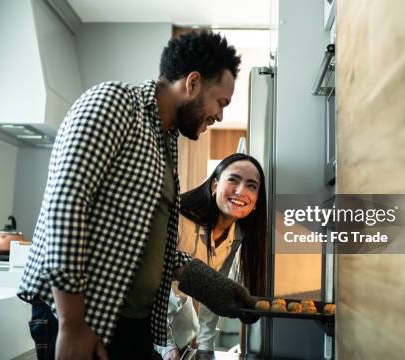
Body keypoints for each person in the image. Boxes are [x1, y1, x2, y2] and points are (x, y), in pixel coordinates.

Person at [17, 31, 258, 360]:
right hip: (85, 320)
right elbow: (66, 206)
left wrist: (222, 291)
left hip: (132, 324)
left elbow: (157, 252)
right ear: (193, 83)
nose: (219, 116)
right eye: (221, 102)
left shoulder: (166, 139)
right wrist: (73, 325)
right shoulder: (114, 102)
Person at [159, 153, 267, 359]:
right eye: (233, 180)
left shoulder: (238, 235)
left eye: (251, 186)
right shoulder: (179, 219)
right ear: (215, 185)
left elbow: (214, 293)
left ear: (256, 201)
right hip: (149, 325)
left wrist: (206, 348)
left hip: (182, 328)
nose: (241, 191)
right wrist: (165, 343)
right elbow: (156, 283)